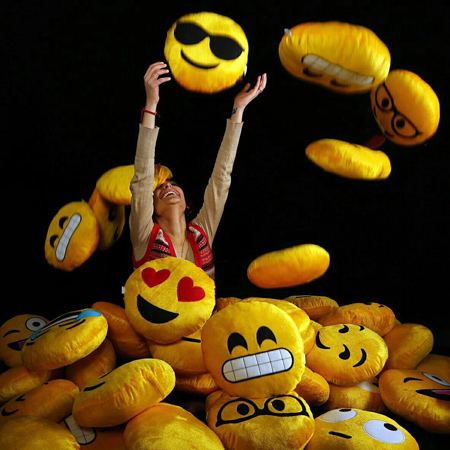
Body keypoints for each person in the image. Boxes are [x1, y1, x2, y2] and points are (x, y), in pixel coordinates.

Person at [129, 61, 267, 279]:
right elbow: (143, 178)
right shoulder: (144, 236)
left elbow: (221, 180)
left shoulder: (202, 232)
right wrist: (151, 102)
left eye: (173, 184)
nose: (167, 186)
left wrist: (238, 110)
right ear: (150, 207)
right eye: (159, 188)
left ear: (187, 205)